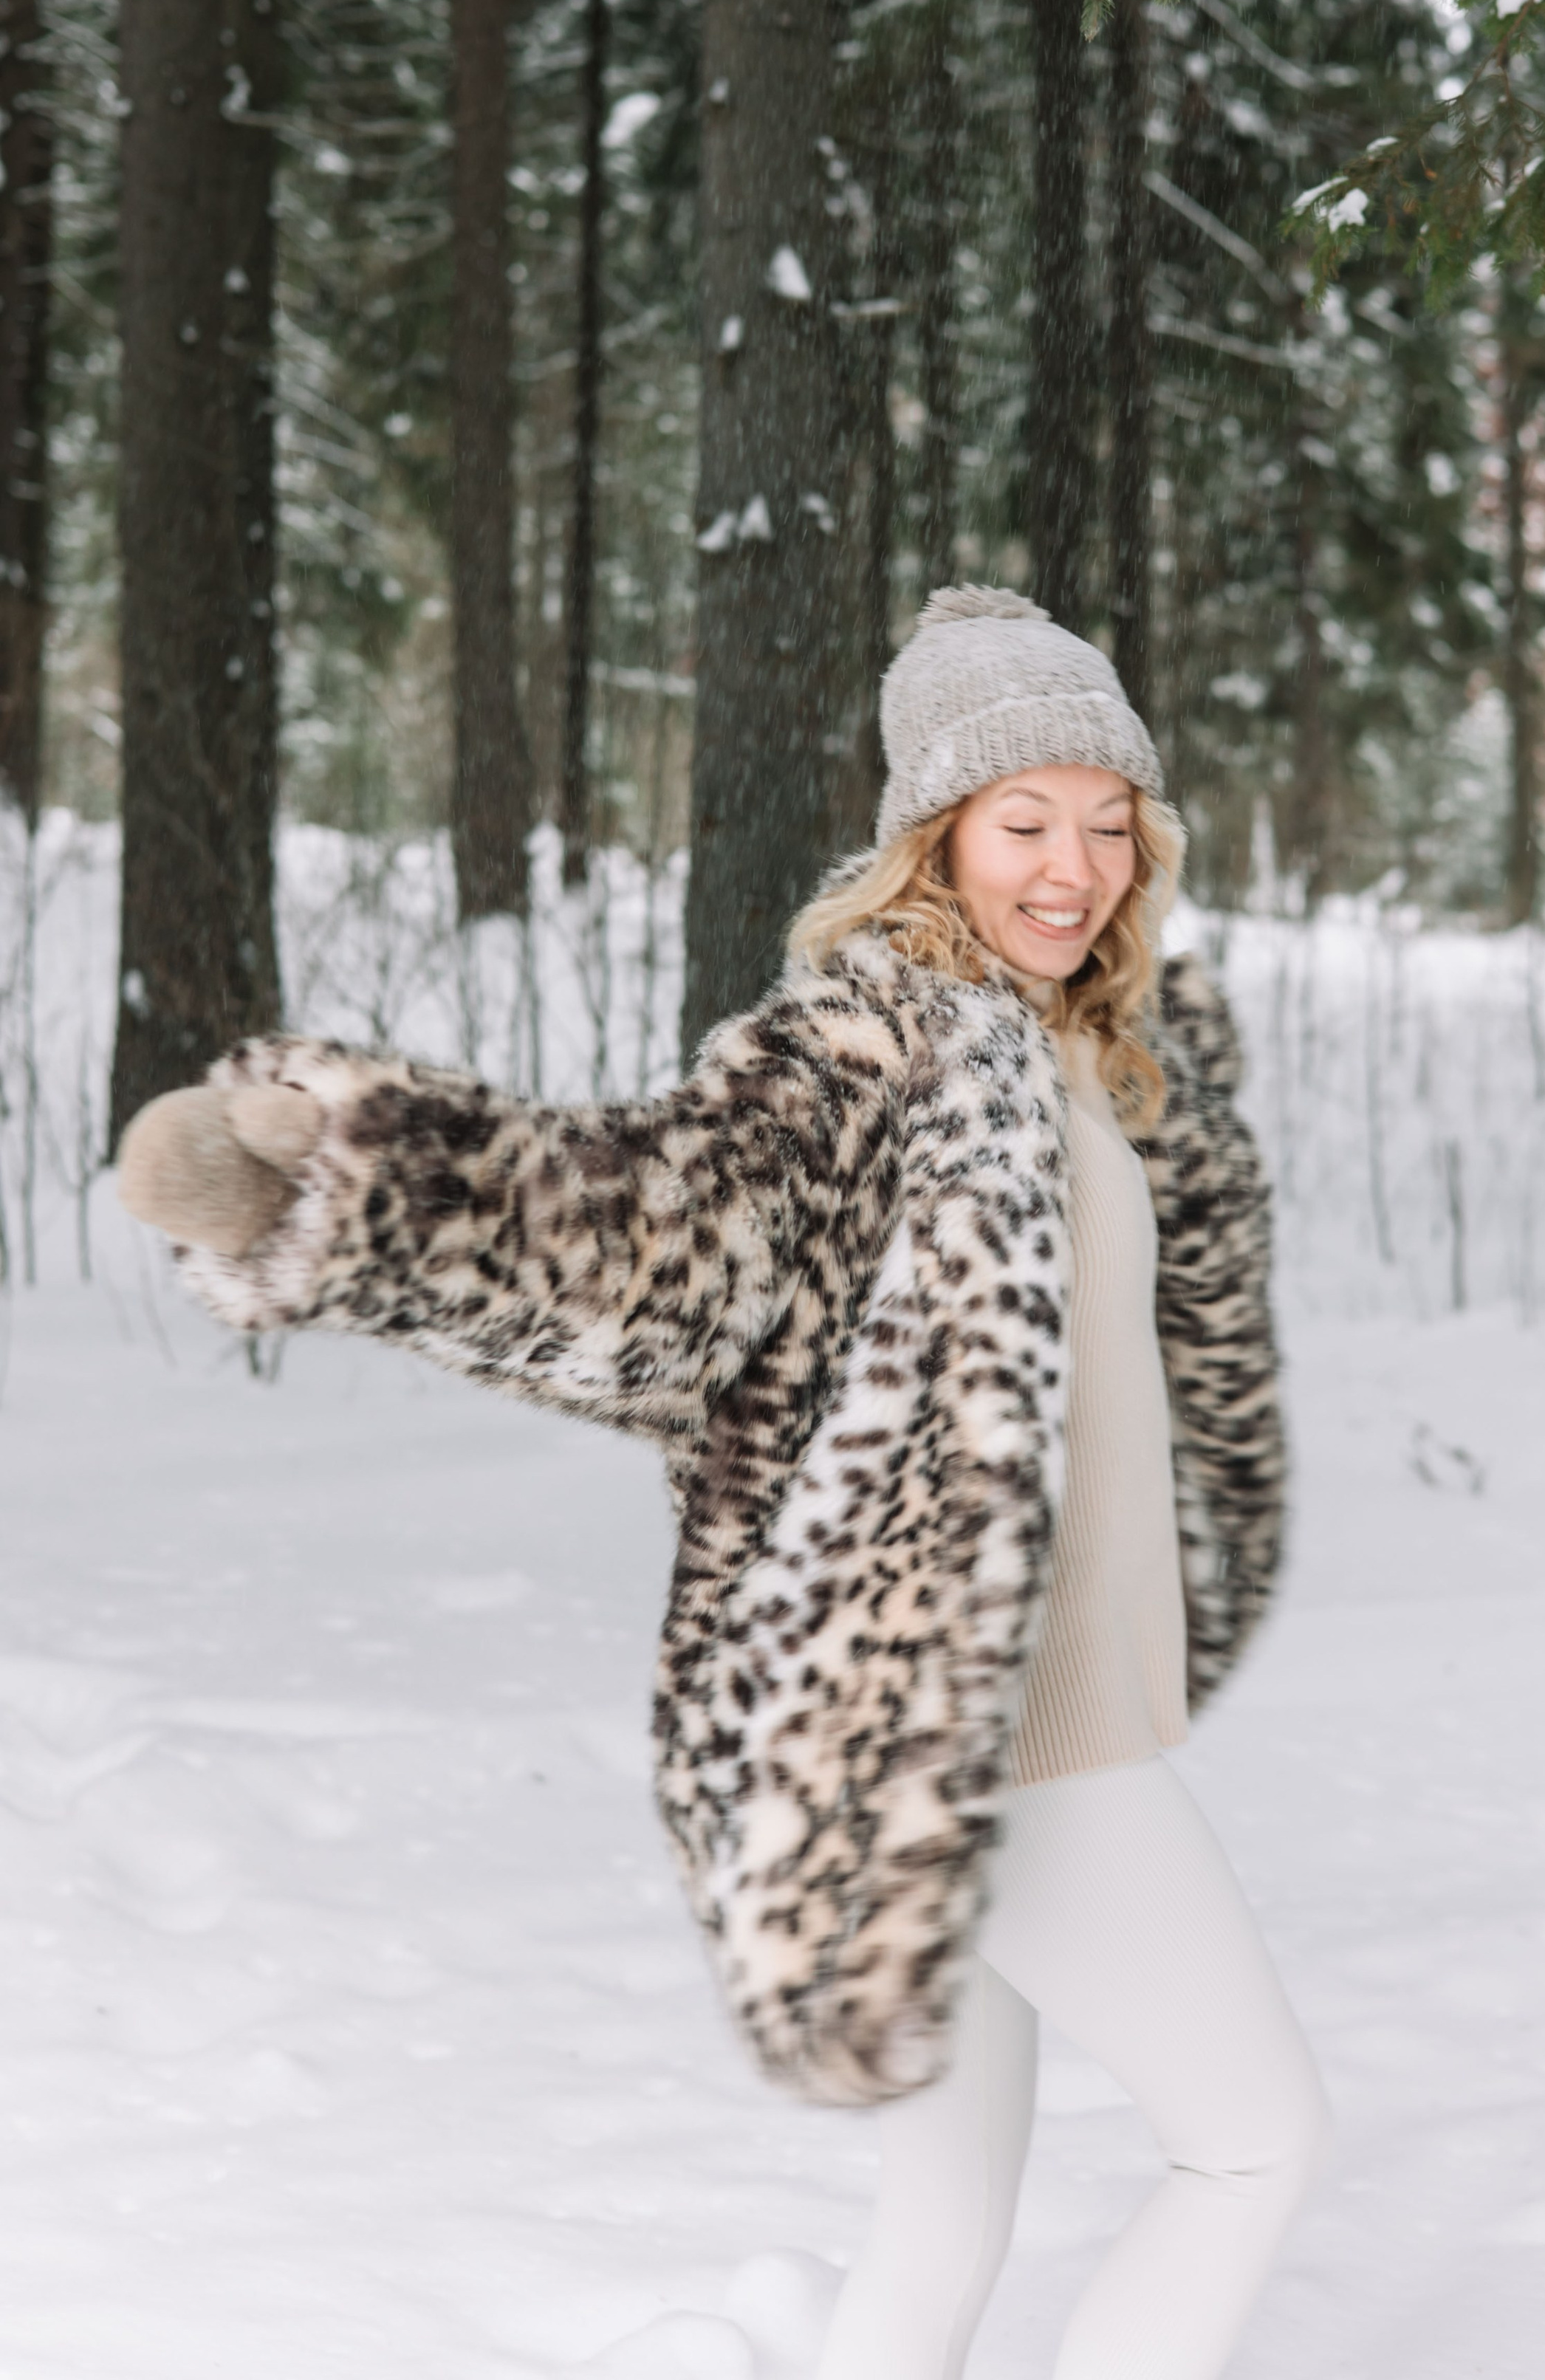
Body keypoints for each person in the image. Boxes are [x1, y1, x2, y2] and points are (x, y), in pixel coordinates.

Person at [119, 586, 1331, 2380]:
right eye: (1022, 822)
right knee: (1253, 2145)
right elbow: (648, 1232)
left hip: (936, 1718)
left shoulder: (1042, 1048)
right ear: (933, 836)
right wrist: (356, 1193)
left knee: (942, 2226)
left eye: (1105, 823)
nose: (1069, 866)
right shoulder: (869, 1044)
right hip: (1001, 1725)